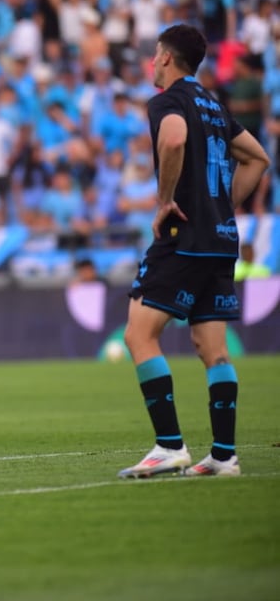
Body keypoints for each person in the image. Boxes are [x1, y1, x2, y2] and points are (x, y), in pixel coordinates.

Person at [119, 25, 271, 479]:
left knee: (139, 335)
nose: (151, 63)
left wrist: (166, 199)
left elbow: (172, 139)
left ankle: (169, 446)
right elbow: (258, 157)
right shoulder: (212, 103)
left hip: (183, 239)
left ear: (165, 57)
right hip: (221, 241)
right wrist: (221, 208)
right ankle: (224, 457)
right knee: (212, 349)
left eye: (154, 56)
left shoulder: (169, 102)